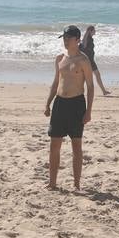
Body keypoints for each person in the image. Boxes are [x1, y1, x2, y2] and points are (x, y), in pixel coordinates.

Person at [44, 25, 96, 191]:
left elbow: (90, 87)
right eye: (64, 38)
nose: (65, 41)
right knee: (54, 145)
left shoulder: (83, 60)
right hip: (60, 103)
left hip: (76, 105)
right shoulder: (60, 58)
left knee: (76, 147)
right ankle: (52, 183)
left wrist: (88, 111)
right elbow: (55, 82)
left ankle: (76, 184)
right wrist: (48, 103)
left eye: (68, 38)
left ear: (77, 40)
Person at [79, 24, 112, 96]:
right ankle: (103, 91)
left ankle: (103, 91)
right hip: (89, 61)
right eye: (94, 30)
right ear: (90, 31)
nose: (95, 31)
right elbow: (83, 49)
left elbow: (81, 48)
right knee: (93, 76)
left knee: (88, 77)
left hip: (89, 60)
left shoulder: (86, 39)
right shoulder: (88, 39)